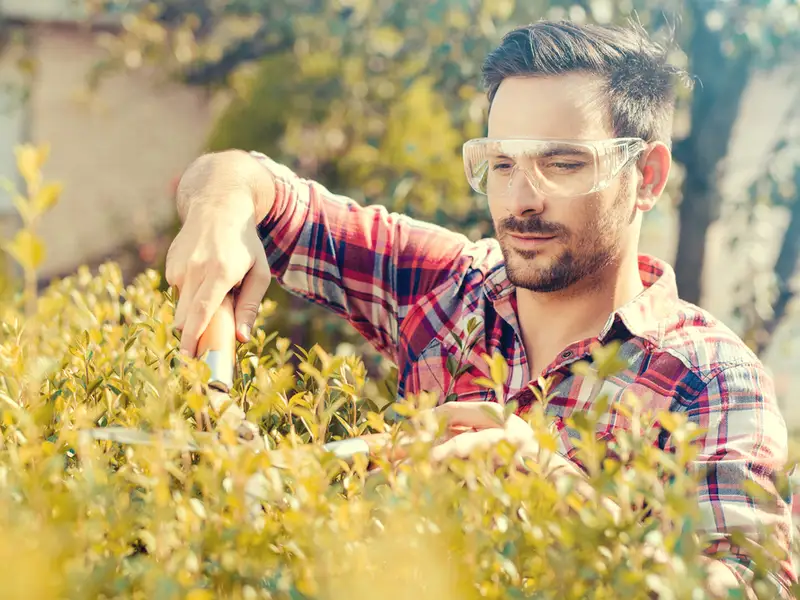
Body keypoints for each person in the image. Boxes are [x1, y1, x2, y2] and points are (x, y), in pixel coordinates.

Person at [165, 19, 795, 599]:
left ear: (649, 177)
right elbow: (245, 181)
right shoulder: (451, 287)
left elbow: (753, 586)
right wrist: (220, 208)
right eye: (501, 164)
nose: (522, 200)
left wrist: (567, 499)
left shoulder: (712, 379)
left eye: (563, 162)